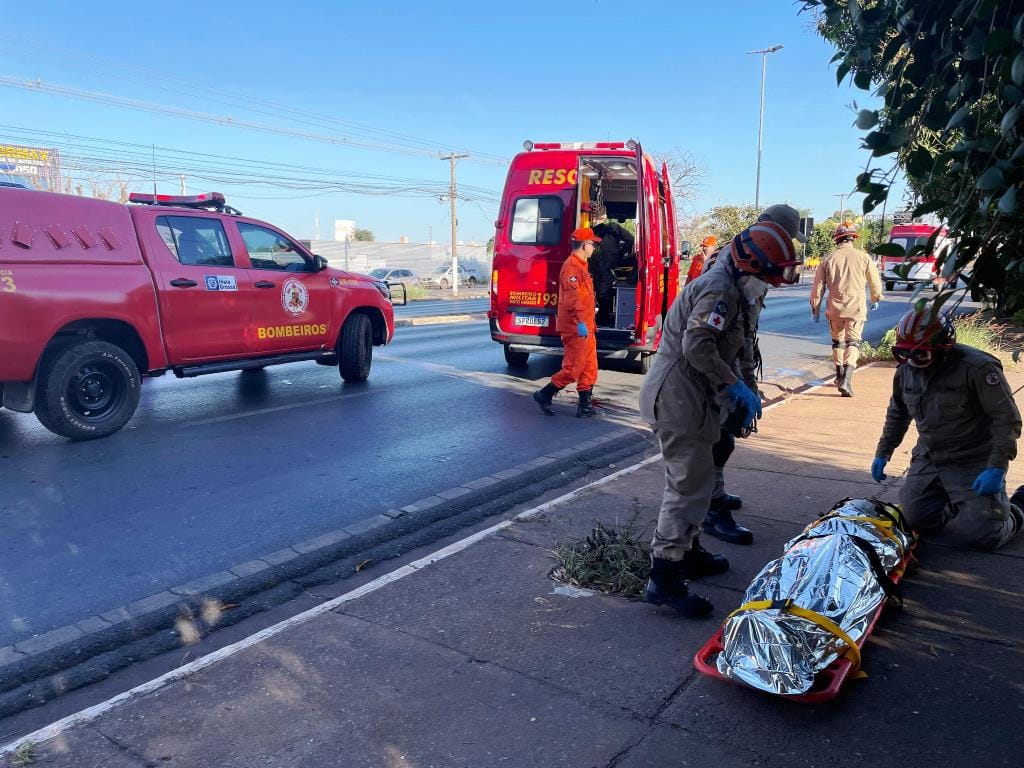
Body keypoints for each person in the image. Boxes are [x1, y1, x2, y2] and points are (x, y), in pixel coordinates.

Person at [639, 215, 803, 617]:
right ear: (753, 265)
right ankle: (665, 579)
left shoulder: (736, 282)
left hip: (695, 397)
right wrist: (735, 385)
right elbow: (698, 347)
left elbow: (740, 342)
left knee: (700, 479)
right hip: (680, 398)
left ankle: (688, 551)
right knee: (687, 489)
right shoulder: (719, 288)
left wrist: (746, 387)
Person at [872, 308, 1023, 550]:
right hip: (930, 456)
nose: (912, 361)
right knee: (916, 521)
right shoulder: (906, 372)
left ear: (944, 348)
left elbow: (1007, 419)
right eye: (904, 353)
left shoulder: (977, 368)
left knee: (984, 536)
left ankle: (1017, 510)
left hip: (973, 458)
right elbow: (897, 414)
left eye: (920, 354)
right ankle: (957, 502)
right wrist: (883, 451)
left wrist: (997, 466)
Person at [703, 204, 806, 546]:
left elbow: (746, 330)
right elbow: (718, 334)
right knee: (717, 439)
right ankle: (712, 508)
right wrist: (738, 382)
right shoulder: (741, 260)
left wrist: (748, 382)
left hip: (731, 352)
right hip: (715, 359)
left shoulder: (754, 253)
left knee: (725, 435)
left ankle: (713, 493)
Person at [533, 227, 601, 418]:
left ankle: (585, 406)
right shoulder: (572, 267)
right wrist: (580, 322)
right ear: (585, 245)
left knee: (589, 367)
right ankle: (544, 394)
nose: (594, 247)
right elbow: (573, 300)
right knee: (573, 369)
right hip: (576, 327)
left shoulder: (581, 265)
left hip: (586, 325)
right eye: (593, 244)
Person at [810, 222, 883, 397]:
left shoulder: (827, 260)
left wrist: (815, 309)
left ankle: (839, 375)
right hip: (856, 308)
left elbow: (817, 288)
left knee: (838, 342)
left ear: (837, 239)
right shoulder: (864, 257)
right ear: (853, 238)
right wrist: (876, 298)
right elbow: (875, 283)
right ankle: (847, 380)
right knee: (853, 342)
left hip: (835, 309)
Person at [590, 206, 635, 325]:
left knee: (599, 292)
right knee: (605, 293)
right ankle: (604, 317)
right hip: (609, 266)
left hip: (595, 268)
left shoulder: (589, 232)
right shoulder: (613, 228)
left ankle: (601, 317)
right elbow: (630, 239)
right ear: (604, 216)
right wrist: (619, 253)